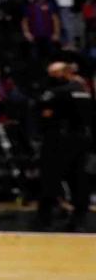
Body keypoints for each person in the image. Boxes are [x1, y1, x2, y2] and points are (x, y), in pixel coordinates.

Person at [34, 62, 92, 231]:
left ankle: (44, 219)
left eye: (53, 73)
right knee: (79, 180)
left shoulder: (57, 92)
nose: (50, 76)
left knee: (50, 178)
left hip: (59, 140)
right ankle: (79, 217)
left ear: (64, 73)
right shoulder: (84, 90)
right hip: (81, 140)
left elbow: (43, 111)